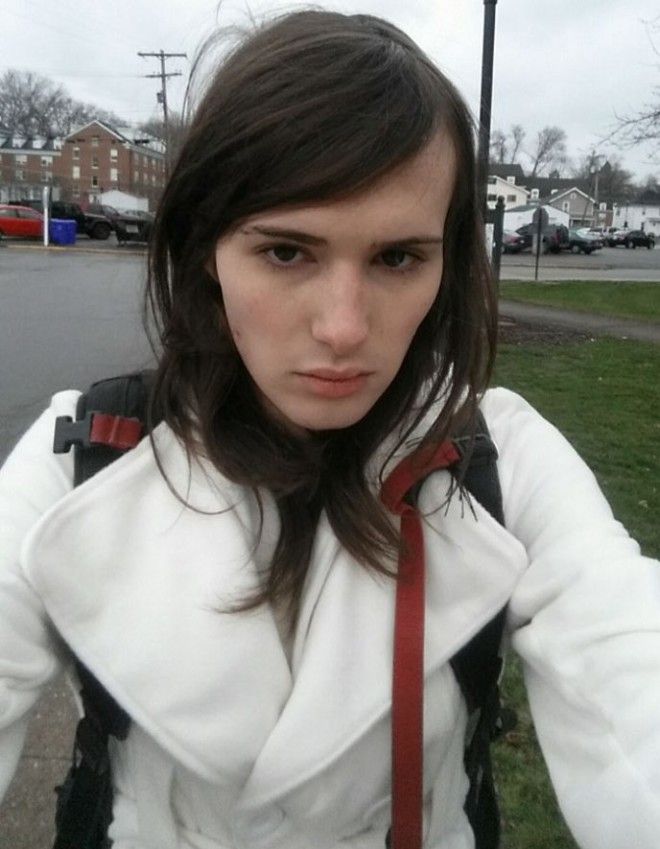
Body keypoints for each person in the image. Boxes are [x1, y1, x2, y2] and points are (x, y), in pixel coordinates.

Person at [1, 10, 659, 849]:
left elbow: (626, 656)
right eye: (286, 252)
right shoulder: (83, 454)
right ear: (206, 247)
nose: (344, 328)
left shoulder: (503, 461)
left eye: (397, 257)